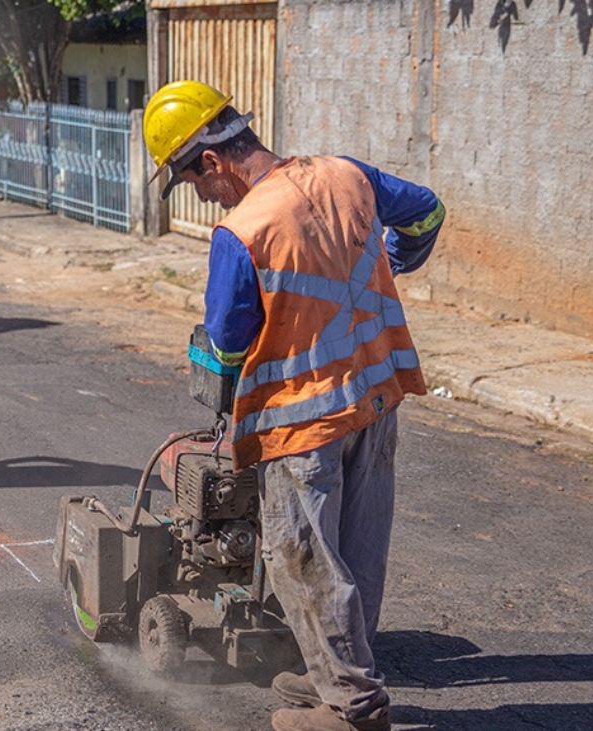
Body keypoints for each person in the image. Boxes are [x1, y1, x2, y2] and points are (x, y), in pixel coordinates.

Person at [143, 80, 445, 731]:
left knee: (304, 558)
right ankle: (331, 670)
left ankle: (353, 707)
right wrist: (388, 263)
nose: (201, 195)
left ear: (213, 161)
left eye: (194, 181)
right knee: (361, 547)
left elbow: (224, 349)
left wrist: (224, 393)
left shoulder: (242, 232)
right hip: (376, 396)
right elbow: (426, 214)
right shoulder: (346, 175)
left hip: (301, 420)